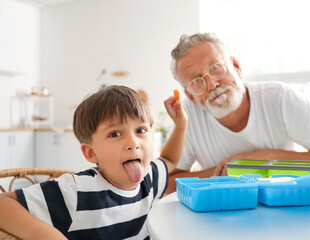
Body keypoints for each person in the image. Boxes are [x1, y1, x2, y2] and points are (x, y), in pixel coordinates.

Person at [166, 32, 310, 194]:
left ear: (236, 67)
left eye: (216, 68)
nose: (212, 85)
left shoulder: (279, 98)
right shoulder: (187, 118)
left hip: (287, 204)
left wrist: (265, 160)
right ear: (191, 96)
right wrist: (231, 173)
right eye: (197, 81)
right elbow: (164, 185)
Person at [0, 85, 187, 239]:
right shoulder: (77, 191)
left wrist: (180, 126)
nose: (133, 143)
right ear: (90, 153)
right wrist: (47, 235)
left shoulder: (151, 177)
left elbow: (169, 159)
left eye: (140, 130)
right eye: (115, 134)